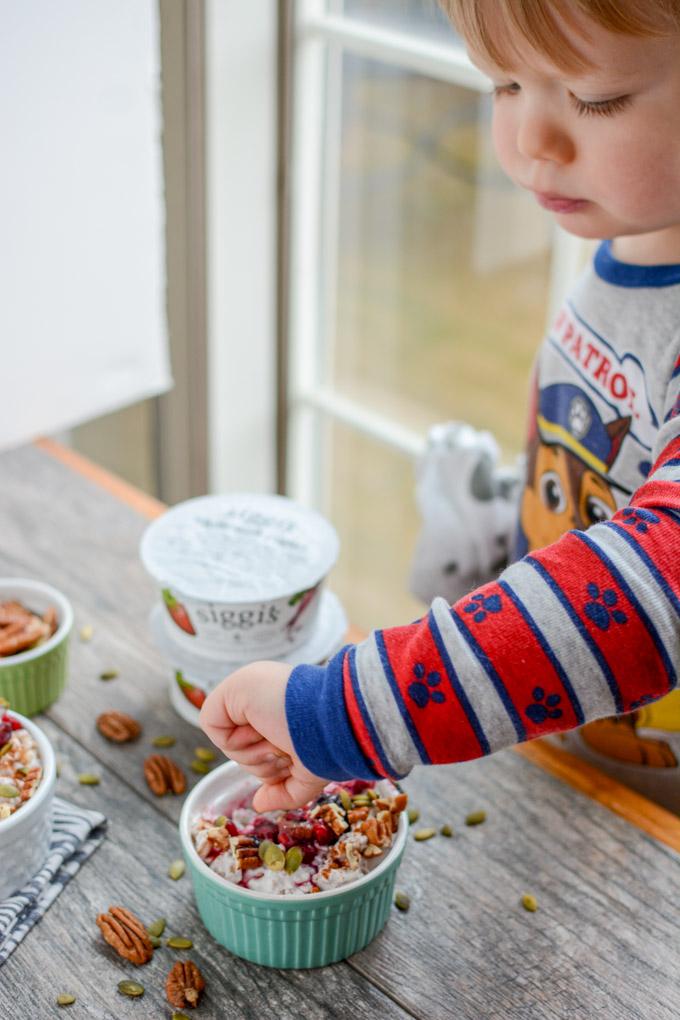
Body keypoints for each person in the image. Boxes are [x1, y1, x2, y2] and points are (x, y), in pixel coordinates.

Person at [201, 0, 680, 814]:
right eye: (505, 84)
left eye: (595, 99)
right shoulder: (629, 248)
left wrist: (341, 713)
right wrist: (501, 538)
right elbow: (621, 488)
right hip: (564, 766)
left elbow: (646, 592)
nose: (531, 140)